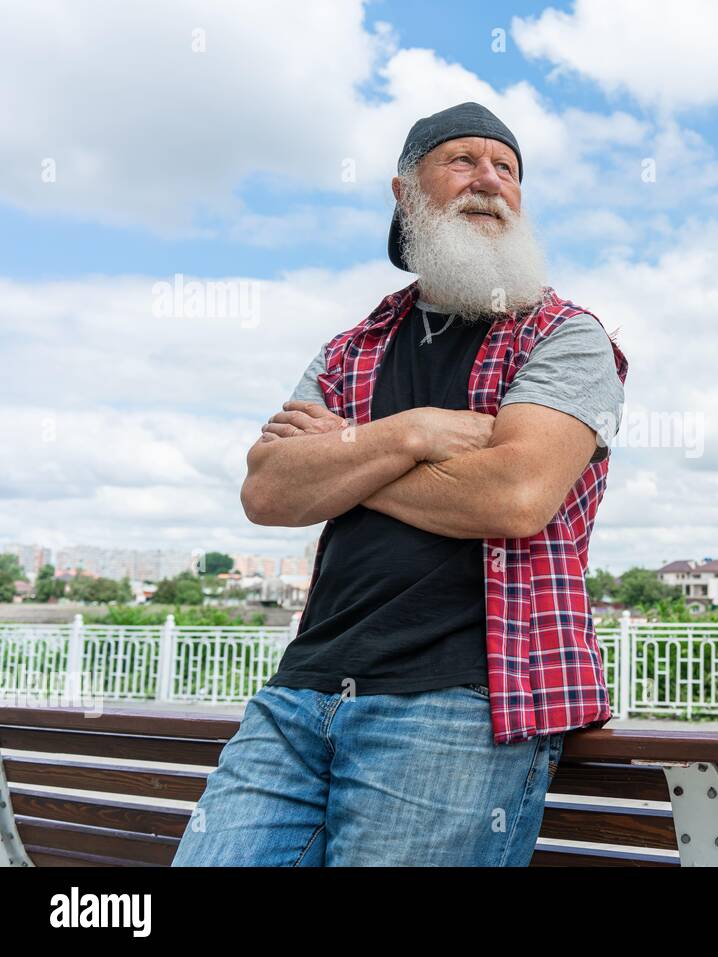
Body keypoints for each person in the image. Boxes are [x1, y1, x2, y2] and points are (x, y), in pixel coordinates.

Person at [172, 102, 628, 866]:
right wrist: (407, 432)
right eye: (462, 161)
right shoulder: (351, 348)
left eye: (506, 168)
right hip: (299, 693)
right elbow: (268, 493)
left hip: (461, 701)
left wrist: (344, 461)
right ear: (404, 191)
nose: (488, 179)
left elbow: (512, 497)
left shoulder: (565, 336)